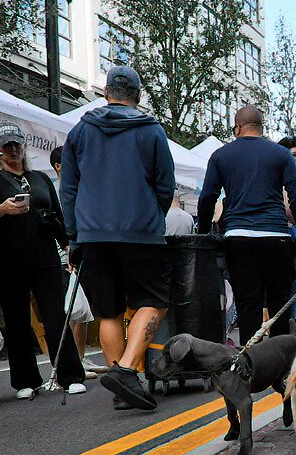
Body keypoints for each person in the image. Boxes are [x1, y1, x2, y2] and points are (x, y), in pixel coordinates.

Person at [61, 66, 175, 411]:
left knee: (108, 311)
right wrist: (151, 214)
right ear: (137, 96)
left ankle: (121, 385)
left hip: (93, 234)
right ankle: (126, 371)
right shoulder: (152, 131)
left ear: (105, 92)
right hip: (141, 231)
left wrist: (73, 234)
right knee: (154, 300)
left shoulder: (80, 131)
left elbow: (69, 188)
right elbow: (164, 185)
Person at [0, 123, 87, 398]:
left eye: (17, 145)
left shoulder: (40, 178)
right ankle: (25, 380)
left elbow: (57, 215)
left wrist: (68, 244)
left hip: (44, 255)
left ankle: (69, 373)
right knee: (17, 320)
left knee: (56, 315)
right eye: (6, 145)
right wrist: (1, 209)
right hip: (7, 259)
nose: (13, 150)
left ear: (24, 147)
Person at [198, 106, 296, 339]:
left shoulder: (221, 155)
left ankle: (251, 363)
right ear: (261, 127)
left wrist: (204, 230)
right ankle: (279, 362)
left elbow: (208, 196)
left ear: (237, 127)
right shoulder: (280, 154)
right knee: (279, 303)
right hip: (276, 236)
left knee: (248, 303)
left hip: (239, 238)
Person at [50, 146, 106, 376]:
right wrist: (65, 253)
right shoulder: (57, 190)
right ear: (59, 167)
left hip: (82, 254)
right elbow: (57, 226)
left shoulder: (77, 188)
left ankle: (81, 358)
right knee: (72, 311)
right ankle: (75, 361)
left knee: (83, 311)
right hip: (65, 257)